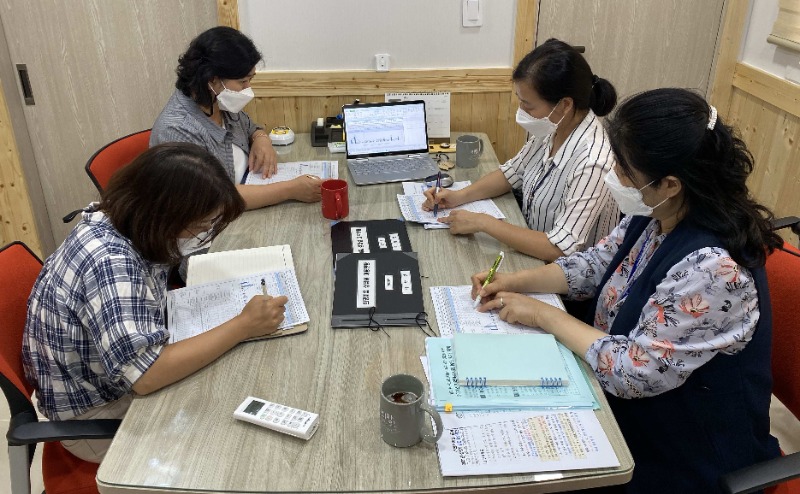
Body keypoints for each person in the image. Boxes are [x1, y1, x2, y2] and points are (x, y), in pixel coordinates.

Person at [471, 88, 782, 493]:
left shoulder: (713, 269)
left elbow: (632, 372)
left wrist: (543, 314)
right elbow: (593, 265)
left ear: (669, 183)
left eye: (623, 169)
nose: (613, 174)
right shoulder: (657, 213)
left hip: (682, 452)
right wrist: (515, 281)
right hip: (620, 405)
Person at [22, 143, 289, 463]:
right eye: (200, 227)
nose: (204, 235)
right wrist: (243, 325)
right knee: (239, 436)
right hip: (97, 416)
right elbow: (146, 376)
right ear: (164, 216)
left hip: (117, 371)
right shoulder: (111, 263)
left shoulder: (125, 219)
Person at [423, 39, 619, 261]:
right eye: (520, 101)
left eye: (528, 105)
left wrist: (483, 222)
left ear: (565, 104)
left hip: (563, 272)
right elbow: (512, 173)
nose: (521, 110)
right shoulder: (554, 127)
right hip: (532, 251)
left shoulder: (593, 161)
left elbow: (560, 248)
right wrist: (457, 196)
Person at [151, 26, 321, 209]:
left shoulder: (220, 101)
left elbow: (251, 128)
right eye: (242, 82)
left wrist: (261, 139)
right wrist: (290, 189)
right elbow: (214, 199)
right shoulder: (176, 130)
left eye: (250, 79)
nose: (248, 89)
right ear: (212, 80)